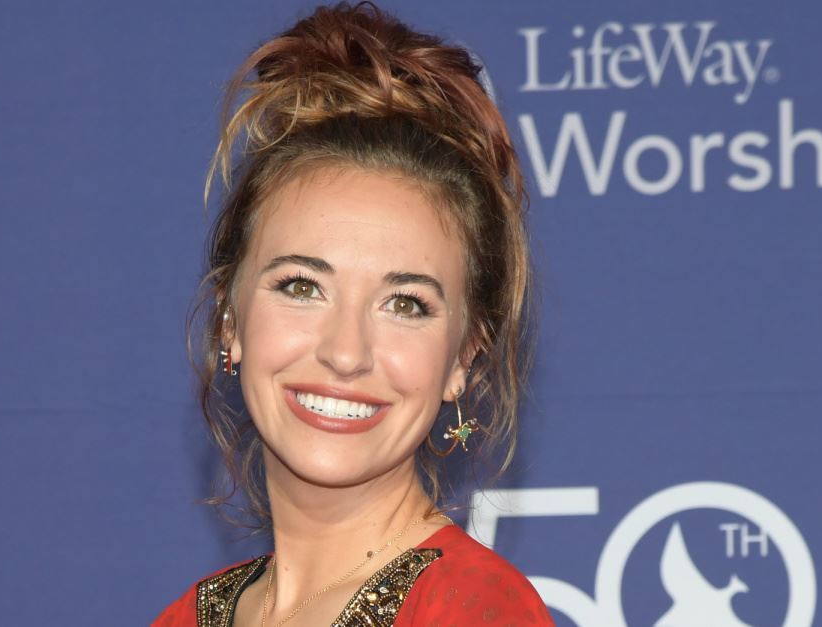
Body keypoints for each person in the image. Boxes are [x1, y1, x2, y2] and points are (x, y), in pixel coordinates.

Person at [155, 2, 553, 625]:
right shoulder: (185, 617)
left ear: (463, 357)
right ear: (229, 319)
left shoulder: (472, 610)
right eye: (302, 286)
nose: (345, 352)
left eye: (405, 304)